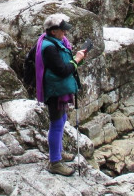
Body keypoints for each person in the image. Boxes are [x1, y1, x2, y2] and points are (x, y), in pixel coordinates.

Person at [34, 14, 87, 176]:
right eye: (63, 30)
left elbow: (65, 62)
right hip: (54, 90)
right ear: (54, 31)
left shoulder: (56, 42)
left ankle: (58, 151)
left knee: (62, 119)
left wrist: (78, 58)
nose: (65, 33)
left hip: (58, 89)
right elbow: (63, 70)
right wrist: (77, 60)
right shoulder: (49, 47)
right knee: (57, 123)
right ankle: (55, 162)